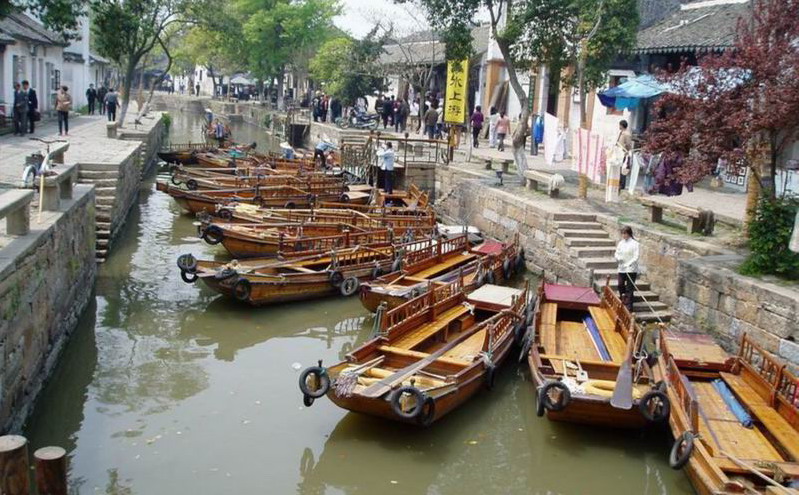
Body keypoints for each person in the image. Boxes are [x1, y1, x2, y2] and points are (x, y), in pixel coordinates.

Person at [614, 226, 640, 313]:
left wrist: (629, 264)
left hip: (631, 269)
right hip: (622, 268)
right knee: (620, 284)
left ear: (629, 234)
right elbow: (617, 253)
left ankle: (629, 307)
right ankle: (623, 298)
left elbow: (636, 256)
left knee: (629, 288)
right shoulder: (621, 243)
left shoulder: (635, 244)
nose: (623, 235)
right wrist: (618, 258)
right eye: (623, 234)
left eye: (625, 233)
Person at [617, 119, 633, 190]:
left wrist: (626, 151)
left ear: (622, 125)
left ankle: (622, 184)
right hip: (619, 152)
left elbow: (629, 144)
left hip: (624, 153)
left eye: (620, 125)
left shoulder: (626, 134)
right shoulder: (622, 133)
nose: (619, 126)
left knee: (623, 169)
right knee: (619, 168)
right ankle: (618, 182)